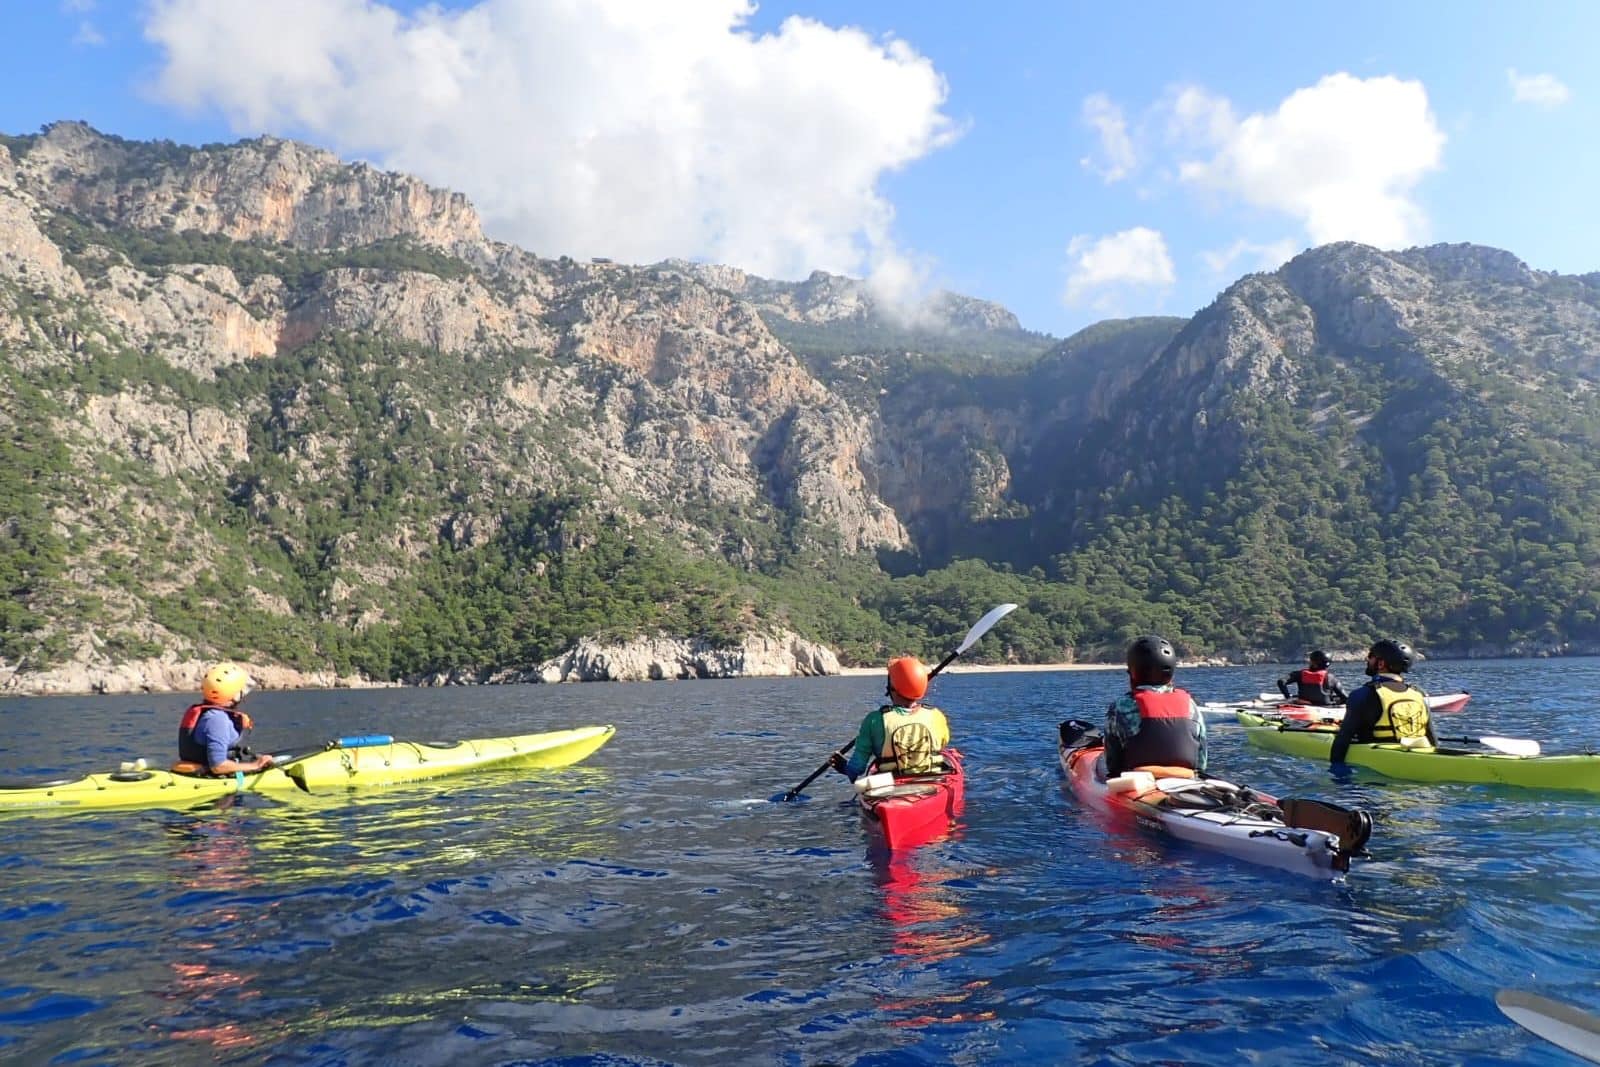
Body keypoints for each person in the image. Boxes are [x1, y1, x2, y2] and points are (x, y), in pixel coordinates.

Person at [1103, 634, 1207, 776]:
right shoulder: (1190, 705)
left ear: (1133, 673)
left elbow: (1113, 763)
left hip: (1137, 781)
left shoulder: (1121, 706)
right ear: (1171, 673)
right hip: (1185, 777)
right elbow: (1201, 763)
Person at [832, 656, 951, 780]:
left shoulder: (874, 720)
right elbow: (943, 742)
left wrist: (843, 767)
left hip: (890, 786)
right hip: (932, 781)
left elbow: (856, 769)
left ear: (892, 687)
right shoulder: (937, 715)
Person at [1329, 639, 1434, 764]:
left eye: (1370, 656)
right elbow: (1432, 738)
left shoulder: (1362, 694)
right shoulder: (1419, 694)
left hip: (1380, 764)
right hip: (1422, 755)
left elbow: (1343, 738)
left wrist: (1335, 770)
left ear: (1381, 664)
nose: (1367, 660)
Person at [177, 662, 275, 776]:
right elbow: (218, 766)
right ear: (233, 694)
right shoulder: (217, 719)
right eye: (241, 691)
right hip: (212, 778)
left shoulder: (210, 714)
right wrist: (255, 765)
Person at [1276, 649, 1348, 706]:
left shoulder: (1299, 674)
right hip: (1325, 706)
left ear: (1312, 662)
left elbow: (1281, 682)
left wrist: (1288, 697)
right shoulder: (1331, 678)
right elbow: (1345, 698)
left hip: (1303, 704)